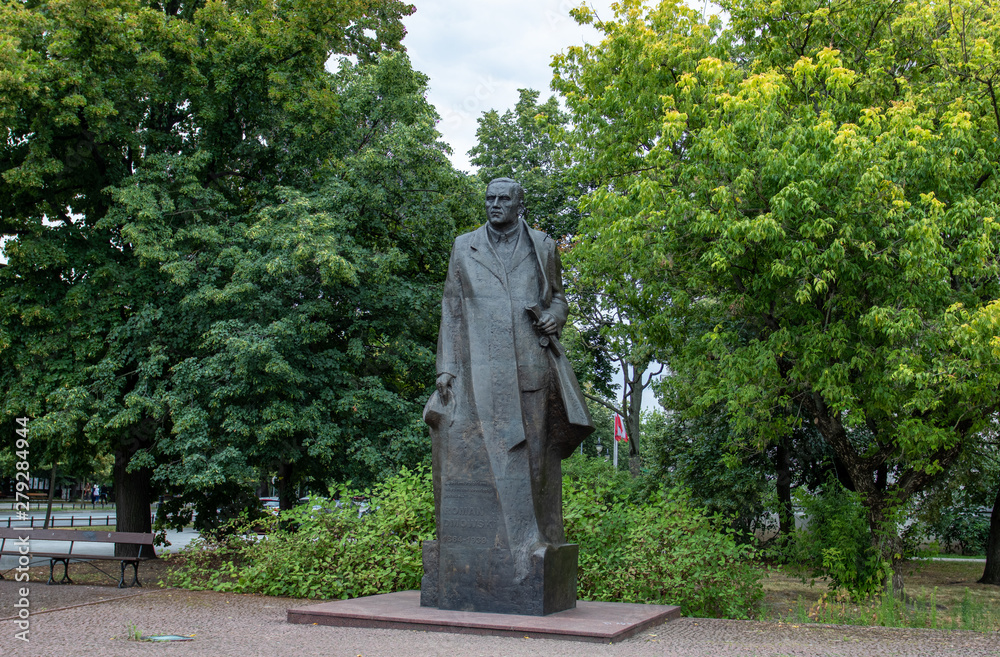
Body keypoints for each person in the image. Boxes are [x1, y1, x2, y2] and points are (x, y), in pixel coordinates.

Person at [424, 177, 593, 613]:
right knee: (480, 454)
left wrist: (555, 318)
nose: (495, 205)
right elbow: (452, 308)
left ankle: (533, 544)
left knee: (535, 462)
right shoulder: (464, 246)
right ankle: (485, 550)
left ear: (520, 204)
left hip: (529, 368)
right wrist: (446, 367)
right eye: (490, 198)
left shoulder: (543, 246)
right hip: (478, 367)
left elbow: (558, 299)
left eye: (503, 199)